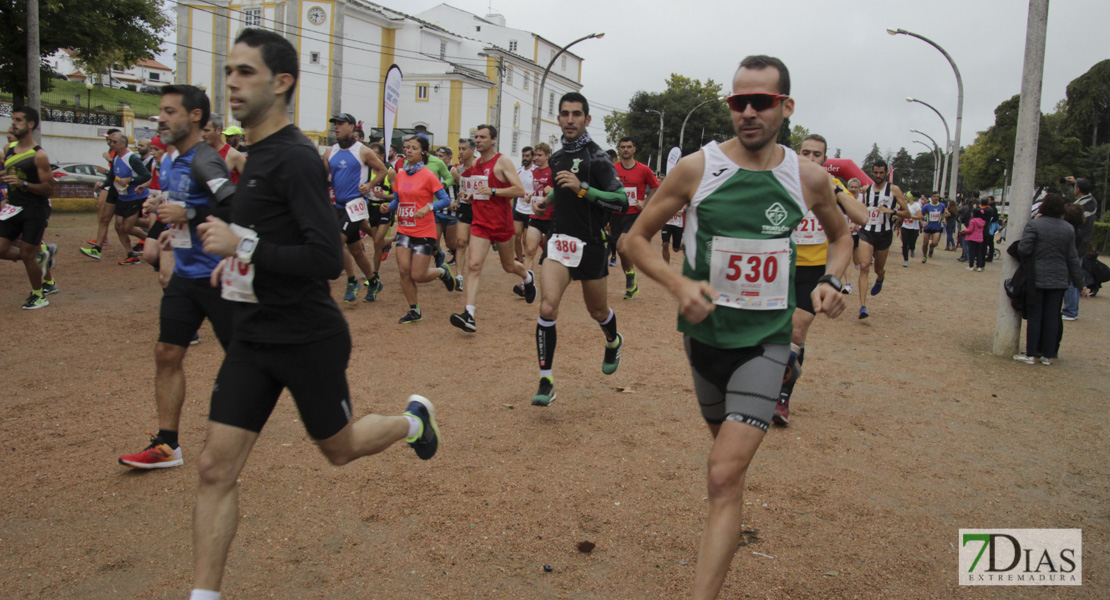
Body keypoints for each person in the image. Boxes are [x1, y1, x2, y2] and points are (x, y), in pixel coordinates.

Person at [190, 29, 440, 600]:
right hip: (255, 336)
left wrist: (241, 249)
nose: (231, 82)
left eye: (245, 72)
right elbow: (259, 240)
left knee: (339, 449)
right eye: (229, 70)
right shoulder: (253, 157)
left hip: (306, 337)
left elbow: (326, 258)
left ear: (281, 83)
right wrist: (231, 264)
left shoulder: (298, 158)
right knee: (213, 469)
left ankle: (412, 422)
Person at [623, 55, 850, 600]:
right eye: (738, 102)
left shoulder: (808, 177)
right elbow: (634, 239)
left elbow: (843, 237)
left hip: (767, 342)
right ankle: (729, 517)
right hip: (703, 341)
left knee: (722, 473)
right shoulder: (696, 169)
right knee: (729, 469)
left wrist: (834, 282)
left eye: (761, 102)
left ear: (785, 107)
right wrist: (679, 285)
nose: (747, 112)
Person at [118, 84, 238, 469]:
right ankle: (167, 445)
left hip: (219, 277)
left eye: (170, 111)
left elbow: (238, 210)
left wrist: (188, 216)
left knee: (246, 359)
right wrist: (170, 221)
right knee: (167, 352)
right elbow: (184, 208)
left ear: (195, 117)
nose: (161, 118)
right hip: (186, 276)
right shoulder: (169, 161)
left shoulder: (206, 160)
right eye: (161, 111)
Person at [528, 92, 629, 406]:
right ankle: (546, 381)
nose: (569, 119)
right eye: (564, 114)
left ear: (586, 119)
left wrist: (583, 188)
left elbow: (621, 201)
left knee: (597, 311)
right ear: (558, 118)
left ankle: (613, 340)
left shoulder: (597, 157)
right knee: (547, 307)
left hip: (591, 245)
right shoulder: (557, 157)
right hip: (559, 241)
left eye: (576, 114)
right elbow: (562, 188)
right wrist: (549, 199)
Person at [775, 133, 866, 425]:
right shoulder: (782, 181)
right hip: (778, 266)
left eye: (817, 155)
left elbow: (862, 217)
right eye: (806, 153)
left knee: (797, 332)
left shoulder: (832, 186)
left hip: (813, 270)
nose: (810, 159)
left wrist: (835, 191)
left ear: (825, 161)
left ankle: (781, 398)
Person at [450, 124, 535, 332]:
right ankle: (469, 314)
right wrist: (472, 196)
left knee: (508, 266)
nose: (477, 140)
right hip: (480, 223)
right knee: (474, 265)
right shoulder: (477, 164)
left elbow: (519, 190)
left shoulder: (502, 161)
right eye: (476, 137)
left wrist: (494, 190)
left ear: (493, 140)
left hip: (501, 223)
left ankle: (527, 277)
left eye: (482, 137)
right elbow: (482, 191)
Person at [380, 135, 456, 323]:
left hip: (424, 230)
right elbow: (398, 200)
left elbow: (446, 200)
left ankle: (442, 272)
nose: (408, 151)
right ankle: (414, 310)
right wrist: (388, 207)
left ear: (423, 152)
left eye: (413, 148)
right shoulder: (400, 175)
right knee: (404, 271)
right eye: (406, 148)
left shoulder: (428, 175)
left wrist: (428, 207)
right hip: (405, 230)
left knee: (418, 275)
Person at [1014, 194, 1088, 364]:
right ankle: (1048, 355)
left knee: (1035, 315)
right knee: (1053, 316)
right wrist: (1080, 284)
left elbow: (1024, 249)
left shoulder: (1035, 225)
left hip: (1037, 276)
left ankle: (1031, 353)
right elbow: (1072, 258)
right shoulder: (1068, 228)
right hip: (1060, 277)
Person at [323, 112, 387, 303]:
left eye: (341, 123)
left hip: (356, 204)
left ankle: (352, 280)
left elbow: (382, 169)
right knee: (356, 251)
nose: (337, 127)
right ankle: (373, 282)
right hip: (338, 206)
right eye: (335, 124)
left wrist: (369, 185)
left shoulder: (363, 151)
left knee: (336, 241)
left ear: (352, 127)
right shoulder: (330, 151)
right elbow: (321, 175)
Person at [1, 106, 55, 309]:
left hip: (34, 209)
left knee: (26, 253)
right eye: (13, 119)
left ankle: (39, 294)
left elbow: (49, 187)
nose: (13, 123)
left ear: (30, 124)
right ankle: (39, 256)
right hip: (12, 208)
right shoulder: (9, 150)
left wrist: (23, 184)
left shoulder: (38, 155)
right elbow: (10, 175)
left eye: (19, 120)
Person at [81, 132, 151, 264]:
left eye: (114, 142)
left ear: (123, 143)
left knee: (128, 227)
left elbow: (146, 176)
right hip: (122, 197)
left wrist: (130, 180)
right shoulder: (116, 159)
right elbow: (112, 178)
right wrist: (103, 183)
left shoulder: (132, 159)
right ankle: (131, 254)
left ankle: (153, 241)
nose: (111, 144)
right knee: (119, 226)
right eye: (110, 142)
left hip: (135, 197)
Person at [855, 158, 910, 319]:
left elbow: (907, 213)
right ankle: (863, 307)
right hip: (867, 232)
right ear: (872, 172)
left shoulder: (894, 190)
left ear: (886, 173)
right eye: (876, 172)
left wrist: (891, 212)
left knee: (877, 269)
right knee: (864, 265)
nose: (878, 175)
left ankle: (880, 277)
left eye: (881, 173)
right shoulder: (866, 190)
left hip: (884, 234)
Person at [612, 137, 661, 300]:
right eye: (622, 147)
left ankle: (631, 277)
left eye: (629, 147)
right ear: (619, 149)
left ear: (634, 149)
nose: (625, 149)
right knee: (621, 251)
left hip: (634, 215)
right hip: (616, 214)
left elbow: (656, 187)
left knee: (621, 246)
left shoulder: (644, 170)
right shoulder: (613, 169)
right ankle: (630, 277)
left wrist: (645, 203)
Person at [1062, 177, 1097, 320]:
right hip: (1080, 244)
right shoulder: (1089, 200)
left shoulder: (1087, 204)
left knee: (1070, 277)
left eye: (1075, 186)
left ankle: (1070, 310)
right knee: (1075, 276)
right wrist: (1075, 180)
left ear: (1078, 189)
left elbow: (1076, 219)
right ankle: (1072, 309)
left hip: (1078, 244)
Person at [450, 137, 478, 292]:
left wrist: (472, 194)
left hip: (479, 209)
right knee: (460, 242)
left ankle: (473, 274)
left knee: (474, 245)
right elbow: (460, 187)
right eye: (459, 149)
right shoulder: (460, 169)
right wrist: (457, 201)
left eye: (464, 149)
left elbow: (483, 188)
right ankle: (459, 277)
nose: (460, 152)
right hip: (464, 208)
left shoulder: (479, 166)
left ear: (472, 150)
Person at [522, 142, 554, 275]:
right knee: (529, 250)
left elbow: (563, 191)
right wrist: (531, 196)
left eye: (540, 155)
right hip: (535, 215)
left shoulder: (554, 171)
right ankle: (526, 283)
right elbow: (538, 189)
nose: (536, 158)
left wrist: (553, 190)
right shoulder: (534, 171)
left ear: (547, 155)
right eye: (535, 155)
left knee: (552, 254)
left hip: (552, 217)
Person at [203, 116, 246, 185]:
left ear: (218, 130)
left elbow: (250, 185)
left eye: (206, 130)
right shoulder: (201, 152)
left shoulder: (234, 155)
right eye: (202, 130)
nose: (203, 134)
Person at [512, 146, 534, 268]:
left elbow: (540, 188)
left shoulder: (536, 171)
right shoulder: (518, 171)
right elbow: (514, 187)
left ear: (532, 157)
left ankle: (527, 259)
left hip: (531, 210)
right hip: (519, 207)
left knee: (526, 240)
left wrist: (532, 196)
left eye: (527, 156)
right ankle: (520, 259)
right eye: (523, 156)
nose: (525, 158)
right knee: (516, 236)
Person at [919, 191, 945, 262]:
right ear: (931, 197)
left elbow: (943, 214)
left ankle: (931, 247)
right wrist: (922, 222)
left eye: (937, 196)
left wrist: (943, 219)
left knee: (935, 243)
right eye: (934, 196)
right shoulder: (927, 206)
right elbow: (920, 216)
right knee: (925, 243)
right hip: (927, 227)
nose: (936, 198)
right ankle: (924, 256)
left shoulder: (942, 205)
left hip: (937, 227)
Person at [900, 192, 922, 267]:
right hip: (905, 227)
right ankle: (906, 260)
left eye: (907, 196)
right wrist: (898, 217)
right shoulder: (906, 205)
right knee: (905, 244)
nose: (905, 198)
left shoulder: (917, 205)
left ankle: (912, 248)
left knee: (912, 243)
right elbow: (903, 214)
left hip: (914, 228)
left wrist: (910, 216)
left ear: (910, 197)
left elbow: (919, 216)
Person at [964, 206, 986, 271]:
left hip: (972, 238)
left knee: (972, 253)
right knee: (979, 252)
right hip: (979, 238)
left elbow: (970, 230)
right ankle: (979, 266)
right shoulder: (982, 221)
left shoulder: (972, 221)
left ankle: (971, 266)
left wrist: (964, 230)